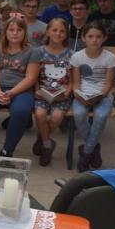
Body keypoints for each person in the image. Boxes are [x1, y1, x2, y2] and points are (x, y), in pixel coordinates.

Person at [0, 17, 41, 162]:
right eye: (11, 30)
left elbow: (30, 78)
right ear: (5, 32)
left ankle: (7, 150)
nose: (15, 33)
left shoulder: (32, 51)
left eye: (19, 30)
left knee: (20, 111)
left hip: (21, 90)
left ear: (25, 32)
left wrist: (12, 93)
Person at [70, 22, 115, 171]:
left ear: (104, 38)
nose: (94, 40)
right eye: (90, 36)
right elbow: (76, 83)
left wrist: (100, 96)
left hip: (102, 94)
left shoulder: (110, 57)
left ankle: (85, 153)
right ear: (84, 38)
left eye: (98, 36)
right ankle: (94, 147)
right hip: (82, 93)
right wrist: (78, 95)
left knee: (101, 115)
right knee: (78, 114)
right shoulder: (77, 57)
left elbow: (108, 84)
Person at [32, 18, 73, 166]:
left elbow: (73, 79)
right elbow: (34, 75)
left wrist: (68, 92)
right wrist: (36, 90)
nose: (58, 33)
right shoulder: (39, 52)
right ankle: (48, 145)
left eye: (62, 31)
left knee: (56, 116)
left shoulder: (71, 54)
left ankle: (42, 138)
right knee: (40, 114)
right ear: (48, 32)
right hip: (43, 93)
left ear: (66, 34)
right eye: (54, 30)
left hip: (61, 95)